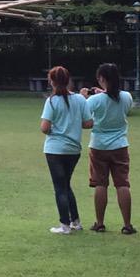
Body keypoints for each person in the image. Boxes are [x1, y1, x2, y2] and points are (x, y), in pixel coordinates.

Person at [81, 63, 136, 234]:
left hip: (99, 146)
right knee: (122, 184)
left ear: (102, 79)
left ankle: (100, 222)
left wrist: (84, 98)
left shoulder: (94, 100)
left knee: (100, 184)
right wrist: (102, 93)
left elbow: (84, 118)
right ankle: (127, 225)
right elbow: (119, 104)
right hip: (120, 145)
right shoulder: (127, 97)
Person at [41, 66, 93, 235]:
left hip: (55, 149)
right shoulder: (79, 99)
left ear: (52, 81)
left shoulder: (51, 101)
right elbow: (88, 123)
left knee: (60, 188)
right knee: (66, 185)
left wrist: (55, 129)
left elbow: (44, 127)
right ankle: (75, 221)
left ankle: (64, 225)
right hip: (73, 149)